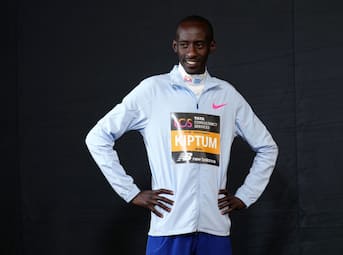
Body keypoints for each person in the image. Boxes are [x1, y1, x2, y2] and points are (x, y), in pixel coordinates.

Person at [85, 15, 278, 255]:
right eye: (185, 45)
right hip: (168, 227)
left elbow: (268, 147)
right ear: (175, 47)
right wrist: (130, 192)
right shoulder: (152, 90)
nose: (192, 52)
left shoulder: (227, 95)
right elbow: (97, 138)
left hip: (215, 228)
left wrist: (246, 196)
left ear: (212, 46)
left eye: (199, 44)